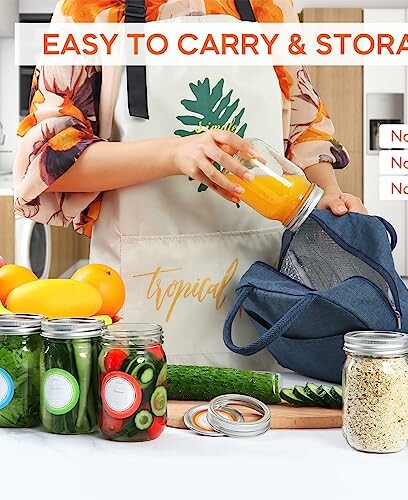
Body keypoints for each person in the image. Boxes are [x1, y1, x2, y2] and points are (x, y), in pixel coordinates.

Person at [14, 0, 367, 370]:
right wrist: (174, 153)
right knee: (140, 405)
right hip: (142, 295)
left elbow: (303, 126)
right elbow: (48, 162)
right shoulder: (91, 9)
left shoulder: (271, 7)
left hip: (263, 282)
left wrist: (328, 194)